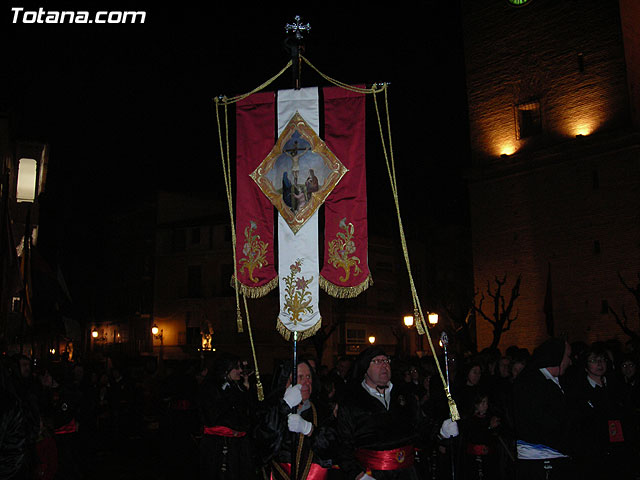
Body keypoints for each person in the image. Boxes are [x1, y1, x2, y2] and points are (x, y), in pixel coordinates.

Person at [336, 347, 458, 480]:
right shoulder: (352, 401)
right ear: (364, 368)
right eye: (377, 361)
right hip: (372, 473)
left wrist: (440, 431)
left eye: (386, 360)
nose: (384, 365)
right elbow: (342, 444)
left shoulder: (404, 395)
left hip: (407, 473)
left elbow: (420, 429)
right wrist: (358, 475)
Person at [255, 359, 337, 480]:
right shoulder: (270, 409)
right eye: (300, 377)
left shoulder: (322, 410)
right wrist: (285, 406)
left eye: (309, 377)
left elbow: (333, 448)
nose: (306, 382)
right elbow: (262, 444)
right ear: (286, 382)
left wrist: (309, 429)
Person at [566, 346, 634, 480]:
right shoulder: (579, 391)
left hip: (617, 447)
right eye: (593, 360)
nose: (599, 364)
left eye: (602, 360)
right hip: (593, 451)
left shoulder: (616, 386)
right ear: (585, 365)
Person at [512, 337, 575, 479]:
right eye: (568, 356)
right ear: (556, 356)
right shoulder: (531, 383)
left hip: (557, 457)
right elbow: (542, 420)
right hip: (540, 461)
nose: (570, 362)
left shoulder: (558, 381)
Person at [197, 354, 256, 480]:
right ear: (226, 370)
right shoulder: (211, 388)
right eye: (236, 367)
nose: (240, 371)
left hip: (237, 446)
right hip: (218, 446)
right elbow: (213, 416)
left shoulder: (237, 386)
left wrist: (246, 386)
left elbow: (248, 412)